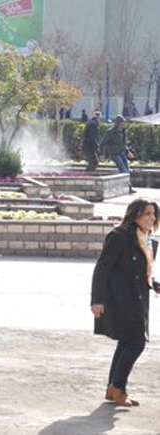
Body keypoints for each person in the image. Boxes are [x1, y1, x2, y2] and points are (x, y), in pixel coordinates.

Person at [91, 198, 160, 407]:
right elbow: (102, 269)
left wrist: (154, 284)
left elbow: (141, 271)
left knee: (127, 342)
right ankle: (118, 388)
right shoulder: (119, 236)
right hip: (120, 299)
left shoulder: (147, 239)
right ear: (135, 214)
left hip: (138, 297)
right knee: (137, 342)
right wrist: (97, 300)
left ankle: (113, 390)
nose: (152, 218)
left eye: (154, 214)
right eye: (147, 213)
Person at [101, 115, 136, 194]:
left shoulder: (124, 132)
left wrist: (128, 152)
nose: (123, 126)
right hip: (114, 154)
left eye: (124, 124)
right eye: (121, 124)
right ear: (117, 124)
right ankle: (129, 188)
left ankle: (128, 187)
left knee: (127, 171)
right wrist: (102, 155)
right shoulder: (110, 132)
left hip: (122, 153)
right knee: (123, 170)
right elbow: (103, 144)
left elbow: (123, 144)